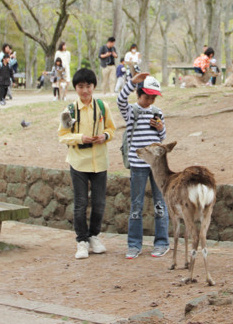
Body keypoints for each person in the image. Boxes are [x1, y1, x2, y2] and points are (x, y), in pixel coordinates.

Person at [59, 68, 115, 259]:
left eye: (88, 86)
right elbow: (63, 136)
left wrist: (105, 136)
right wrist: (81, 138)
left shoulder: (102, 107)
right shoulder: (69, 110)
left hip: (100, 161)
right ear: (75, 88)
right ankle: (81, 241)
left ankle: (94, 236)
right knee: (80, 203)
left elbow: (111, 129)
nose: (85, 90)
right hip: (78, 162)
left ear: (94, 87)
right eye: (81, 86)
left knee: (99, 203)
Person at [118, 71, 169, 259]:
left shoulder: (157, 112)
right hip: (138, 164)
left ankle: (162, 242)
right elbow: (120, 101)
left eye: (153, 98)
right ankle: (134, 244)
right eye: (147, 97)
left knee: (160, 204)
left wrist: (160, 128)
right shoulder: (132, 111)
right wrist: (131, 82)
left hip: (156, 166)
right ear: (139, 94)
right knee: (136, 205)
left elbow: (162, 138)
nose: (150, 101)